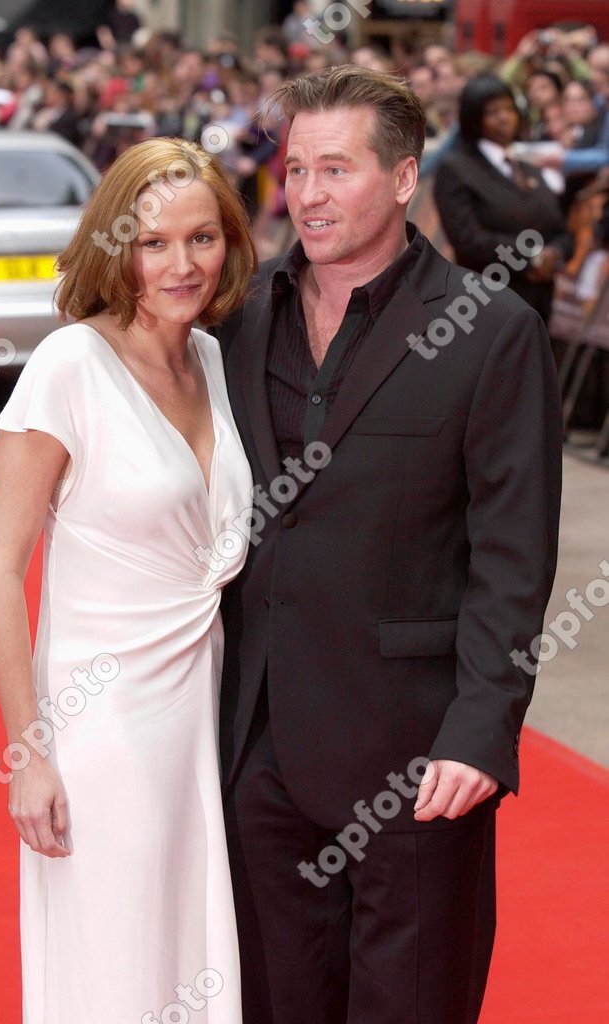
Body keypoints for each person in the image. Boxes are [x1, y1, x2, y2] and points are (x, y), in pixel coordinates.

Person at [214, 66, 562, 1024]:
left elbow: (513, 557)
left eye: (338, 169)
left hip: (417, 762)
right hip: (258, 751)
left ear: (405, 179)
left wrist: (481, 731)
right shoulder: (241, 323)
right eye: (296, 169)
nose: (310, 195)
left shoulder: (492, 332)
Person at [0, 137, 257, 1023]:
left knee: (191, 945)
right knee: (118, 956)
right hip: (103, 723)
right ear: (116, 247)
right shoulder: (71, 366)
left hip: (203, 712)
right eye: (154, 242)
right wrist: (30, 755)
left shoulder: (211, 360)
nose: (183, 265)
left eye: (203, 238)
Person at [433, 74, 572, 323]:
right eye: (492, 111)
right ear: (473, 118)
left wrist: (556, 253)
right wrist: (532, 258)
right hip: (485, 303)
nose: (504, 117)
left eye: (509, 108)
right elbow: (468, 240)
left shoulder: (527, 166)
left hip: (538, 303)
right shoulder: (456, 169)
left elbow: (559, 229)